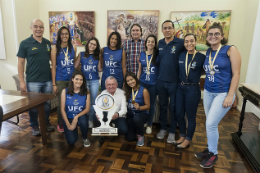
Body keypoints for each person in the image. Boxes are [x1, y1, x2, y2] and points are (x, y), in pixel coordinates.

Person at [195, 23, 241, 168]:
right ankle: (209, 149)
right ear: (207, 37)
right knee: (210, 122)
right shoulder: (208, 52)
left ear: (222, 36)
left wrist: (231, 95)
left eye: (216, 34)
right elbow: (208, 71)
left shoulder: (230, 49)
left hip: (223, 93)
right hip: (208, 91)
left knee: (211, 123)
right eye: (210, 34)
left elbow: (236, 74)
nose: (213, 36)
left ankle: (213, 154)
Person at [17, 19, 55, 136]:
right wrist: (22, 81)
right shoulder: (24, 43)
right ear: (31, 28)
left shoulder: (47, 43)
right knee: (33, 106)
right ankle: (34, 126)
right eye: (36, 26)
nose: (38, 29)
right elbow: (20, 63)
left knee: (47, 104)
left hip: (47, 80)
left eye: (41, 27)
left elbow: (51, 61)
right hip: (33, 81)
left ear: (44, 28)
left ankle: (46, 122)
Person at [173, 34, 205, 149]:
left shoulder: (201, 57)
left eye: (191, 41)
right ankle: (182, 135)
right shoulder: (181, 55)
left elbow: (204, 71)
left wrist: (194, 76)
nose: (189, 43)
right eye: (186, 41)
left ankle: (188, 139)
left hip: (193, 89)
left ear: (195, 42)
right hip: (180, 88)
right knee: (179, 113)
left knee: (190, 116)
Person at [156, 20, 185, 143]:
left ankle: (172, 131)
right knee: (162, 106)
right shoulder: (160, 43)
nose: (167, 30)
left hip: (174, 82)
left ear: (173, 29)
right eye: (165, 28)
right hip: (161, 81)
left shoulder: (180, 43)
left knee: (173, 107)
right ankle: (163, 128)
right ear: (162, 30)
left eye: (169, 28)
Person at [51, 26, 77, 133]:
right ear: (59, 36)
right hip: (60, 79)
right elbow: (53, 67)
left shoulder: (73, 47)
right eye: (62, 34)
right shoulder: (55, 49)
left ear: (69, 35)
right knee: (61, 102)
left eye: (66, 33)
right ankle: (60, 122)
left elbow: (74, 64)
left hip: (71, 79)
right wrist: (54, 84)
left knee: (70, 101)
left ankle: (70, 119)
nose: (64, 36)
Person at [74, 37, 102, 128]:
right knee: (84, 100)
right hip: (84, 81)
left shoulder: (98, 56)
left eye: (94, 44)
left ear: (96, 46)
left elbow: (99, 69)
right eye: (91, 43)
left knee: (93, 101)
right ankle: (82, 119)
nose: (92, 45)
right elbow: (75, 66)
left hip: (94, 81)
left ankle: (90, 119)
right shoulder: (81, 54)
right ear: (88, 44)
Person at [60, 70, 91, 147]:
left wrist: (76, 117)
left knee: (84, 122)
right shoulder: (65, 91)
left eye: (81, 80)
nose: (79, 81)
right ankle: (73, 130)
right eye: (77, 79)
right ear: (72, 79)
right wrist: (67, 124)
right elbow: (62, 109)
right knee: (71, 141)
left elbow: (87, 109)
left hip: (80, 116)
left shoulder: (86, 91)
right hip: (69, 117)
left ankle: (85, 138)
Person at [137, 34, 158, 134]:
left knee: (151, 105)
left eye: (152, 41)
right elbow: (140, 70)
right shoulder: (141, 54)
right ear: (146, 43)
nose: (150, 43)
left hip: (153, 84)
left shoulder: (158, 55)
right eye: (148, 41)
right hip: (142, 83)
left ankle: (149, 124)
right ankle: (144, 121)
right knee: (142, 103)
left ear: (155, 44)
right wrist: (137, 83)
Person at [124, 72, 150, 146]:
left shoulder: (144, 90)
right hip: (131, 115)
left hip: (142, 114)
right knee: (129, 138)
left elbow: (148, 106)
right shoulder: (127, 90)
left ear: (135, 79)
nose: (130, 82)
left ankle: (140, 136)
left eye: (131, 79)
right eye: (128, 81)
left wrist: (139, 107)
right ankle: (135, 129)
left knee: (137, 119)